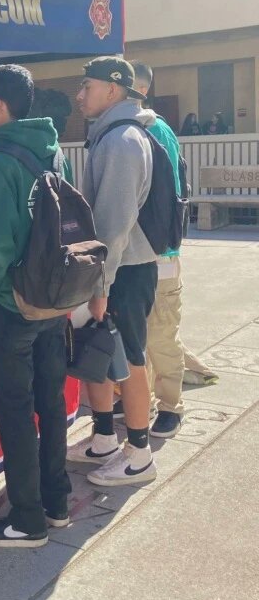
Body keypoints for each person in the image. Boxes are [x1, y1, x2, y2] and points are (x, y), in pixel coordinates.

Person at [0, 64, 71, 549]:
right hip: (54, 299)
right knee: (50, 404)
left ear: (0, 106)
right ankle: (55, 502)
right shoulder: (55, 153)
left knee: (13, 410)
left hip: (12, 307)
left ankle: (26, 519)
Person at [66, 57, 159, 486]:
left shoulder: (122, 140)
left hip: (125, 269)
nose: (80, 95)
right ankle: (104, 437)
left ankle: (139, 454)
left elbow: (116, 223)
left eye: (87, 86)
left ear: (114, 89)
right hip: (110, 268)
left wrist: (99, 286)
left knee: (129, 359)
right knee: (98, 352)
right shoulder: (108, 135)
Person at [131, 61, 186, 437]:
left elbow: (166, 196)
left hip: (160, 254)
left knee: (162, 332)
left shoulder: (156, 130)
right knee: (140, 332)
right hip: (137, 254)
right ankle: (144, 398)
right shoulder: (125, 129)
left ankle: (171, 405)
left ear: (143, 90)